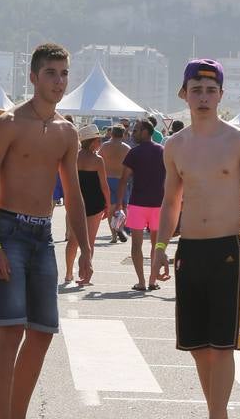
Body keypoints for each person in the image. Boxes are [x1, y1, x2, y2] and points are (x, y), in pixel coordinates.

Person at [0, 44, 91, 419]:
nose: (59, 81)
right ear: (34, 77)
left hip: (43, 236)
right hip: (8, 231)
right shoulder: (9, 124)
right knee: (11, 330)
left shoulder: (66, 131)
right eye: (51, 73)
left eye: (63, 73)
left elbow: (73, 194)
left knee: (42, 332)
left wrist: (85, 248)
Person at [152, 60, 240, 419]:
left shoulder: (239, 142)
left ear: (221, 95)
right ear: (184, 94)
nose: (202, 98)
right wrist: (160, 248)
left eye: (210, 90)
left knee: (222, 344)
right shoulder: (175, 146)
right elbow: (171, 202)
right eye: (195, 90)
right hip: (191, 249)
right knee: (198, 344)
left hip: (229, 250)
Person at [115, 119, 166, 291]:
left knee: (136, 245)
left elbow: (124, 180)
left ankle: (142, 282)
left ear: (145, 132)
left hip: (137, 204)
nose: (132, 133)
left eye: (136, 130)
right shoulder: (163, 151)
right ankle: (153, 281)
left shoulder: (134, 153)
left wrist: (120, 204)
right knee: (156, 245)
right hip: (159, 204)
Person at [66, 124, 110, 286]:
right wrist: (108, 204)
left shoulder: (73, 157)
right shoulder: (98, 160)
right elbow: (104, 185)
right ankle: (84, 275)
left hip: (75, 201)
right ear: (92, 142)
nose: (100, 143)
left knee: (73, 240)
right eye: (99, 140)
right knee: (89, 242)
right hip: (95, 203)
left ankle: (69, 273)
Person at [99, 125, 131, 243]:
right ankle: (120, 228)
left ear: (111, 134)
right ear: (123, 135)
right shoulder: (127, 148)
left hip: (107, 179)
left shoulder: (105, 146)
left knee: (110, 208)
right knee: (122, 207)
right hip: (121, 180)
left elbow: (98, 160)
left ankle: (113, 235)